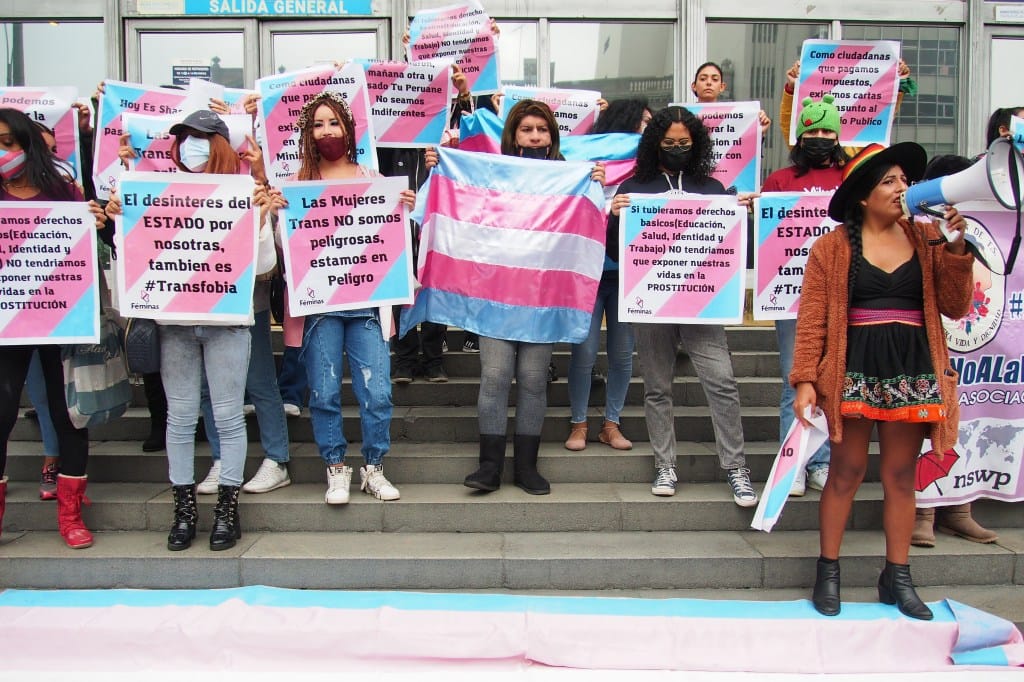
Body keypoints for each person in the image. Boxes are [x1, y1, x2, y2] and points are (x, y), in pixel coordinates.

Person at [791, 142, 974, 619]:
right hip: (853, 369)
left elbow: (956, 306)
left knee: (899, 476)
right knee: (845, 472)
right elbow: (812, 321)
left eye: (904, 181)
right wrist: (806, 379)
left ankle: (898, 576)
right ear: (863, 195)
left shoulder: (928, 237)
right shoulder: (832, 247)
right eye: (889, 181)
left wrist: (957, 251)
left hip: (912, 371)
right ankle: (828, 572)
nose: (901, 189)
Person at [255, 91, 414, 505]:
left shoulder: (373, 178)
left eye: (334, 123)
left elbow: (391, 240)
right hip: (320, 310)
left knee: (377, 393)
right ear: (308, 134)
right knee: (323, 393)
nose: (327, 131)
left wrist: (403, 209)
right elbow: (286, 252)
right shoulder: (297, 186)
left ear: (348, 128)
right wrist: (277, 216)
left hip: (366, 306)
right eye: (318, 125)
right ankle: (336, 468)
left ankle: (374, 468)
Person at [438, 99, 605, 494]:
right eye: (527, 129)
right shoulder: (492, 174)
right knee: (495, 376)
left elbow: (593, 221)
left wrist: (595, 185)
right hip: (495, 293)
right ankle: (489, 467)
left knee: (532, 379)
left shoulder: (571, 176)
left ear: (552, 136)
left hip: (542, 298)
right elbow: (467, 208)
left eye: (542, 130)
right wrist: (440, 168)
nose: (535, 136)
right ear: (513, 135)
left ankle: (527, 467)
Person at [109, 109, 255, 551]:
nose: (191, 145)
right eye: (185, 137)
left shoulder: (245, 192)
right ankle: (184, 511)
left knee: (227, 417)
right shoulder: (158, 194)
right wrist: (121, 220)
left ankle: (227, 510)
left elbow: (263, 265)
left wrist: (261, 222)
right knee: (180, 418)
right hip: (174, 326)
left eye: (202, 137)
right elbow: (135, 259)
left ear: (221, 145)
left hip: (227, 325)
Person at [606, 106, 757, 507]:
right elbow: (616, 253)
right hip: (652, 303)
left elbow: (733, 253)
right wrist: (615, 218)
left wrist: (741, 217)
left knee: (722, 382)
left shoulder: (714, 188)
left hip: (701, 304)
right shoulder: (634, 188)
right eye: (669, 143)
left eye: (683, 143)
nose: (676, 149)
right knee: (657, 388)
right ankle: (664, 465)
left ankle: (736, 467)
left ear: (697, 144)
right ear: (655, 144)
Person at [0, 107, 107, 548]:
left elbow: (96, 248)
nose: (2, 151)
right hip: (7, 325)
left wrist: (96, 223)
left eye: (7, 142)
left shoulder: (64, 193)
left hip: (62, 320)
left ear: (28, 145)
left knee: (69, 415)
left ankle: (71, 516)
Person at [762, 95, 849, 495]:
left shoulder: (850, 177)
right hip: (790, 296)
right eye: (813, 131)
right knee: (792, 379)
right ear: (799, 136)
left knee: (829, 381)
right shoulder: (779, 181)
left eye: (828, 131)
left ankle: (822, 462)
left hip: (841, 294)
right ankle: (793, 462)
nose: (820, 137)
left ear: (838, 136)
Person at [910, 154, 999, 548]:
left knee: (968, 427)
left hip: (981, 344)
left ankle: (960, 510)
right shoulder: (916, 229)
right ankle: (923, 512)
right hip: (929, 342)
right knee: (928, 428)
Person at [564, 97, 650, 452]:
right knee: (583, 354)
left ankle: (611, 424)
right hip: (588, 273)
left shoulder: (647, 167)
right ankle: (579, 424)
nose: (648, 129)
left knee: (622, 355)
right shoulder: (586, 162)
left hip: (627, 274)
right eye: (644, 122)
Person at [690, 62, 771, 135]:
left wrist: (759, 133)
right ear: (694, 86)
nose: (709, 83)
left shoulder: (734, 116)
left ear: (722, 87)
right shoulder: (686, 116)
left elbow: (742, 143)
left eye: (715, 79)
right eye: (703, 79)